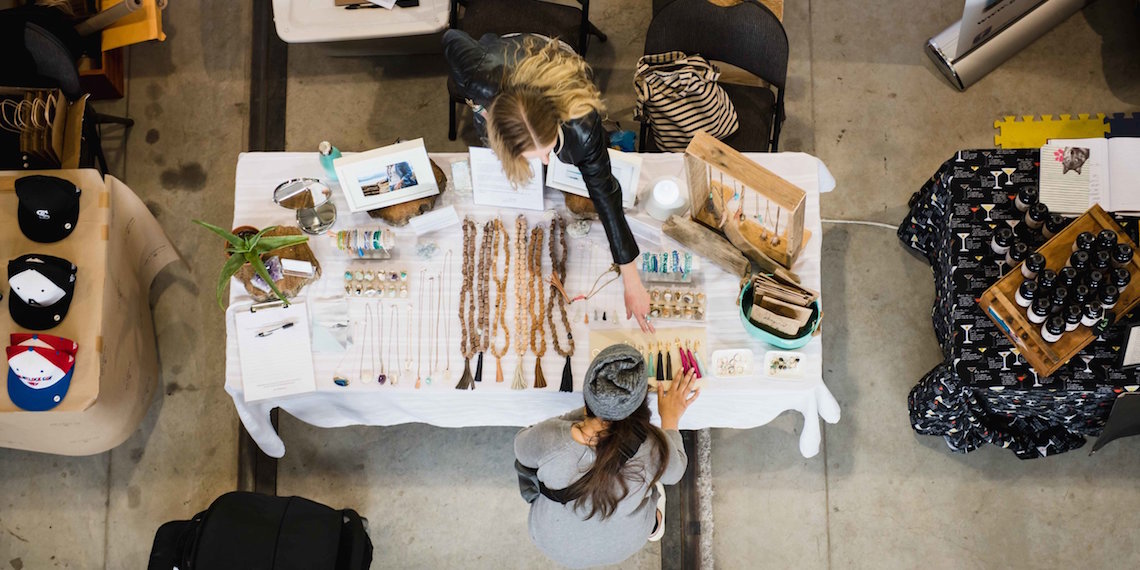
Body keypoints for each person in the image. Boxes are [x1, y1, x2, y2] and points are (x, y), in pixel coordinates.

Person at [443, 30, 655, 332]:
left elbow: (605, 193)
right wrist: (476, 102)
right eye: (534, 155)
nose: (545, 162)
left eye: (547, 150)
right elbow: (451, 38)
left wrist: (631, 280)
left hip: (552, 59)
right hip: (497, 78)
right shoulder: (477, 75)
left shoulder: (583, 125)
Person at [514, 345, 700, 568]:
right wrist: (670, 420)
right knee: (655, 490)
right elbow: (675, 472)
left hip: (549, 538)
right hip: (624, 545)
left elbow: (521, 450)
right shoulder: (652, 445)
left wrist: (578, 419)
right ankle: (654, 525)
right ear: (641, 404)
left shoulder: (550, 437)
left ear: (587, 396)